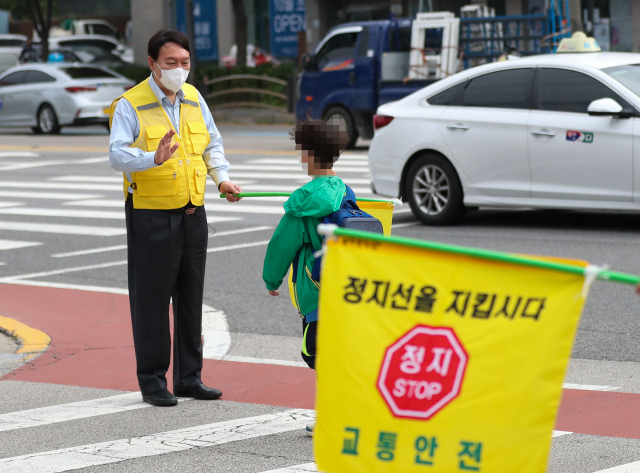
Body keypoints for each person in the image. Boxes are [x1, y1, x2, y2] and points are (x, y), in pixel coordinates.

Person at [109, 30, 243, 407]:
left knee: (190, 298)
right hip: (151, 216)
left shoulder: (195, 98)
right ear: (152, 63)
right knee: (151, 302)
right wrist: (152, 158)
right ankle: (153, 381)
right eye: (171, 63)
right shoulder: (130, 104)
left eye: (185, 63)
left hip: (192, 212)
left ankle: (188, 378)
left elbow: (212, 144)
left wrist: (222, 179)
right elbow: (117, 155)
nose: (179, 70)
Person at [262, 119, 349, 435]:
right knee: (335, 351)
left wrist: (272, 280)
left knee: (315, 351)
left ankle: (334, 414)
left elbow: (281, 245)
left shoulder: (304, 201)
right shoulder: (342, 189)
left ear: (310, 155)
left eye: (302, 151)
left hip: (315, 289)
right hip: (343, 283)